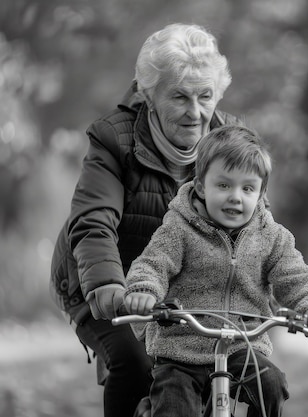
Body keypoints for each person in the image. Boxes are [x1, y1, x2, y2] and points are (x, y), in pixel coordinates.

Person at [49, 23, 241, 417]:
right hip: (105, 281)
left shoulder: (232, 144)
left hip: (185, 288)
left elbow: (258, 226)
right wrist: (106, 283)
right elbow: (94, 220)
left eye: (205, 96)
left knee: (227, 372)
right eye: (180, 97)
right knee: (136, 362)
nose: (196, 112)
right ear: (150, 97)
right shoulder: (113, 140)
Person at [124, 125, 308, 417]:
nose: (236, 197)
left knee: (271, 384)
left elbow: (296, 275)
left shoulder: (272, 238)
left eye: (247, 188)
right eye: (224, 185)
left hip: (243, 346)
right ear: (201, 187)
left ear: (261, 194)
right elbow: (154, 262)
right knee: (174, 406)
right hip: (182, 348)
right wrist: (143, 289)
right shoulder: (178, 228)